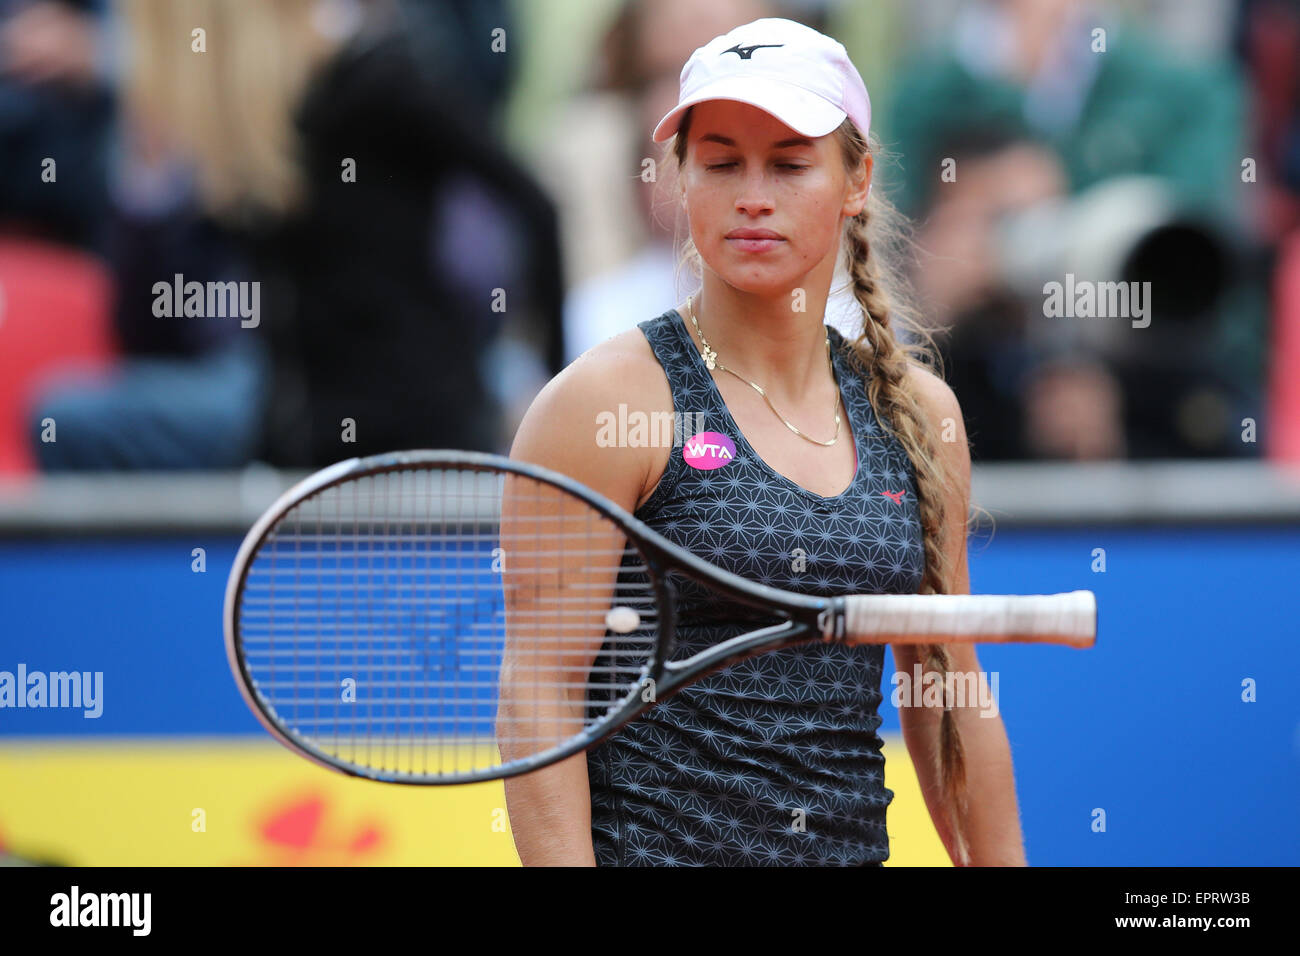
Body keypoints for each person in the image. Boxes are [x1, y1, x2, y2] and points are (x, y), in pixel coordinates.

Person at [505, 18, 1024, 866]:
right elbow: (538, 697)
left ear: (856, 178)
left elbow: (944, 694)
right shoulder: (600, 405)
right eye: (720, 163)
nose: (753, 194)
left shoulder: (922, 415)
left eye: (788, 164)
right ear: (679, 180)